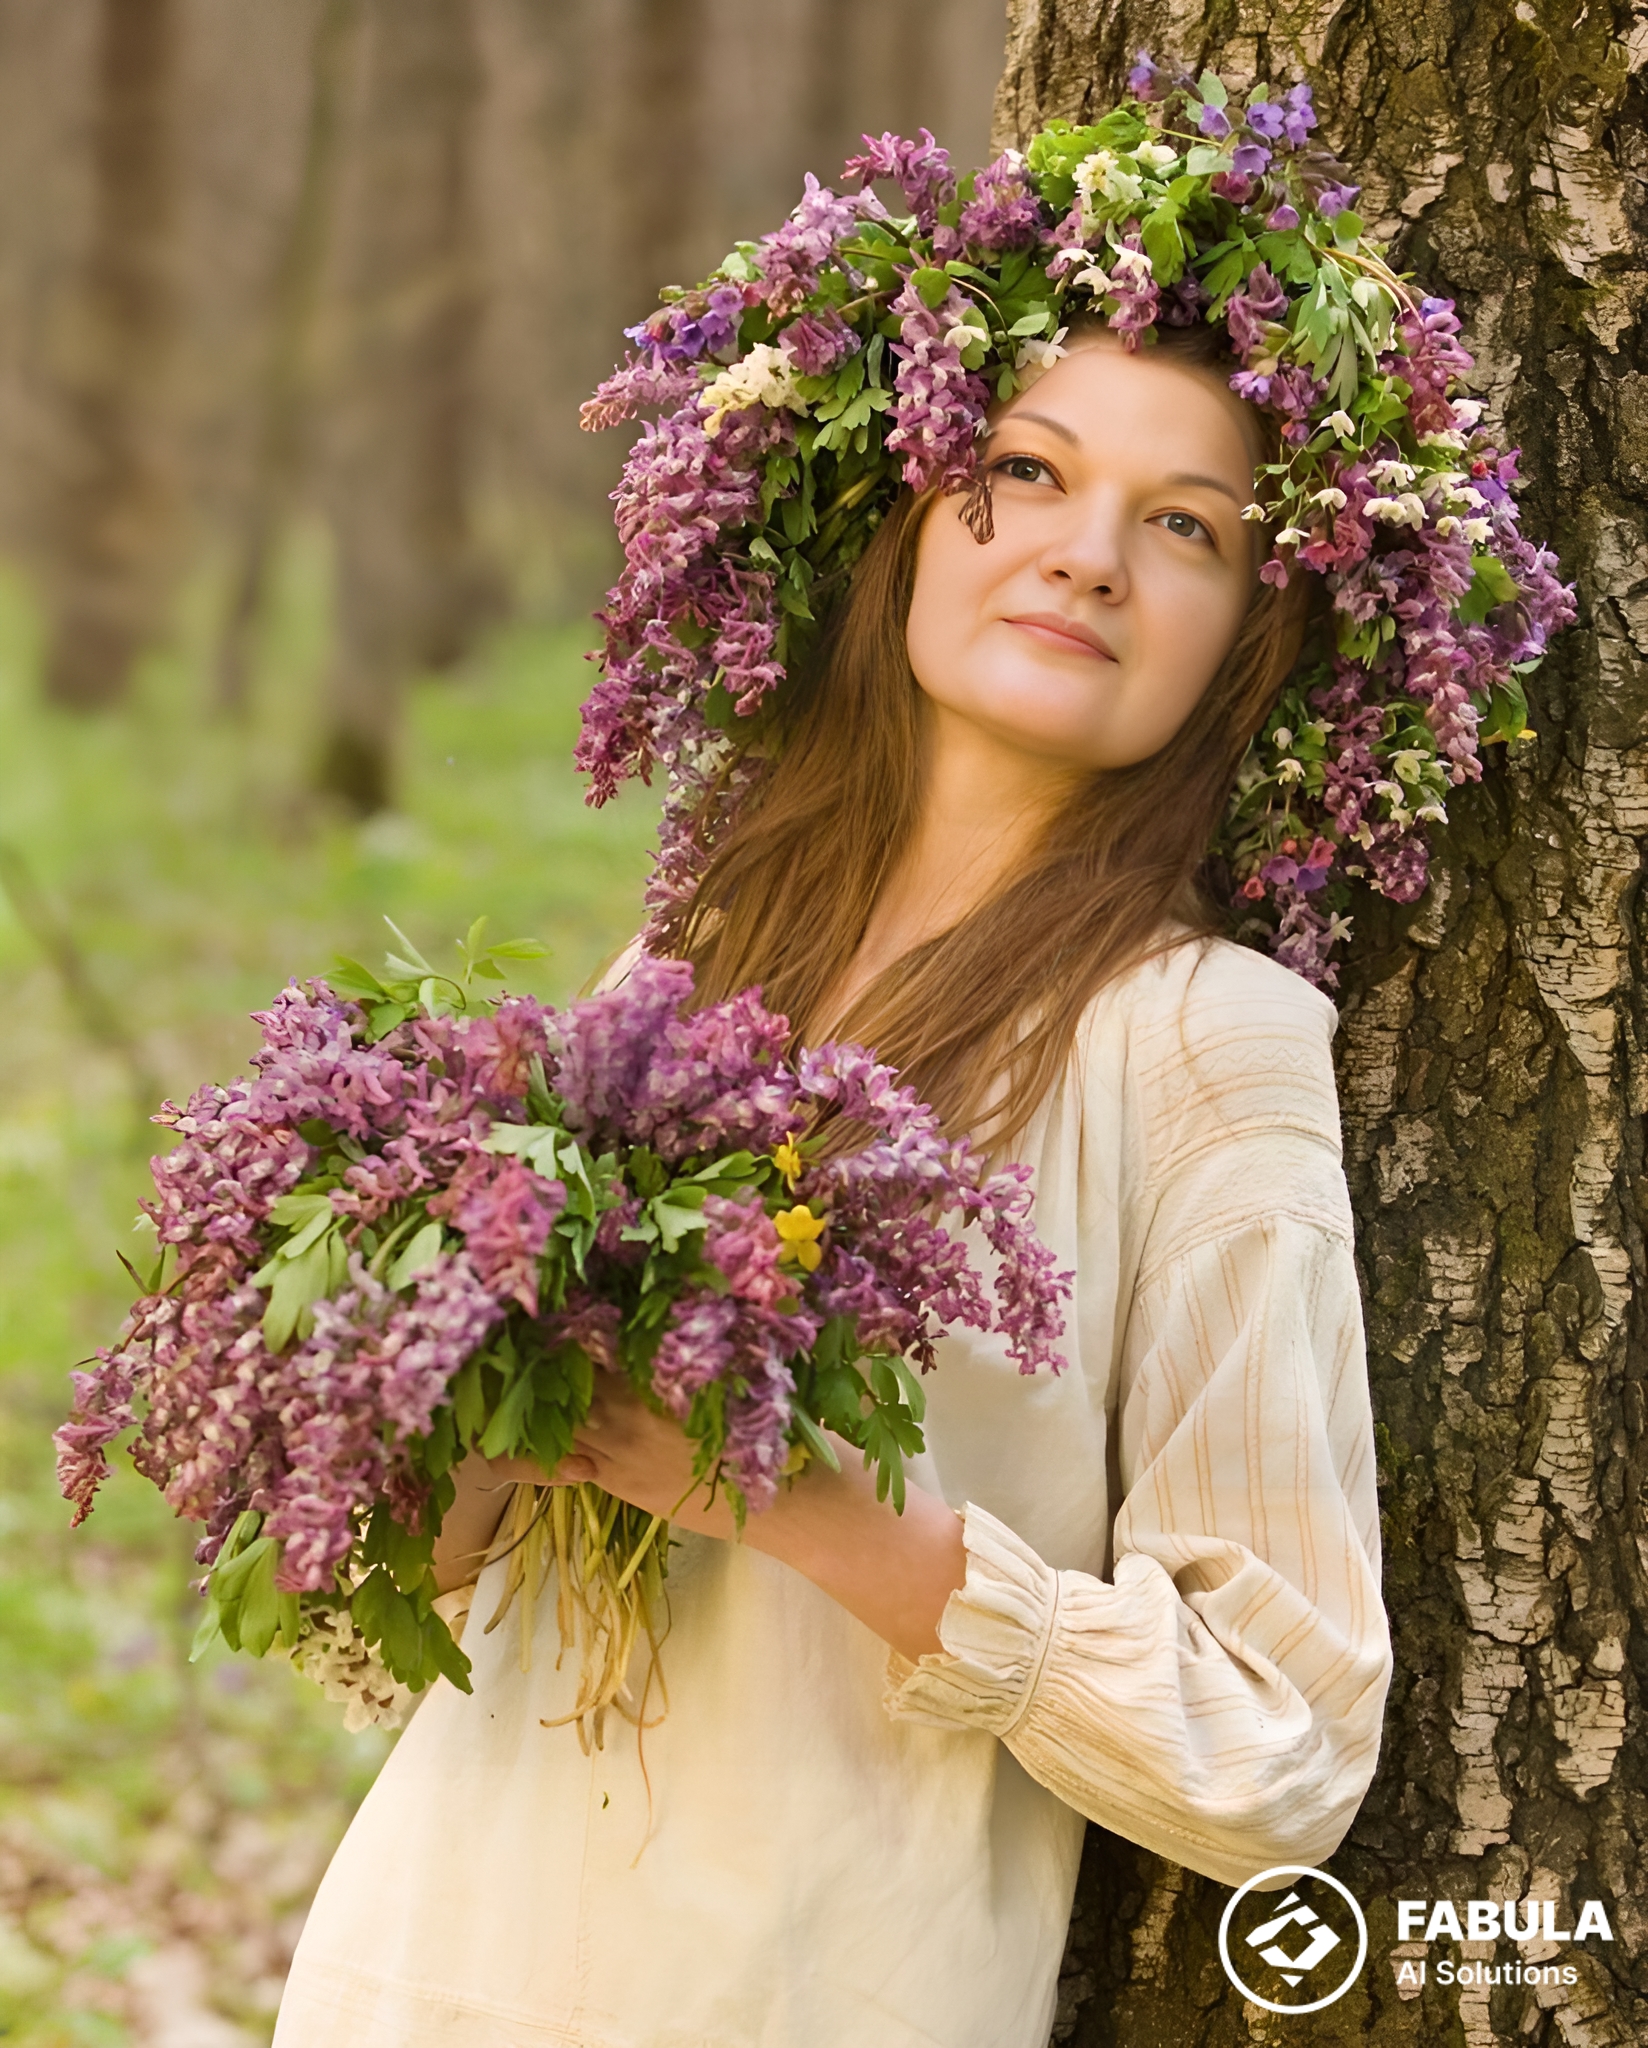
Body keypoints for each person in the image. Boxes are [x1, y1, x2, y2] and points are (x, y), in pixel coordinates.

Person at [273, 311, 1394, 2047]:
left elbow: (1279, 1750)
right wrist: (467, 1416)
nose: (1084, 555)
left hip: (807, 1994)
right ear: (902, 519)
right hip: (429, 1960)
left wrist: (790, 1500)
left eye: (1186, 525)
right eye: (1023, 468)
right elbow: (434, 1582)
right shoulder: (704, 944)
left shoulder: (1201, 1042)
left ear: (1250, 634)